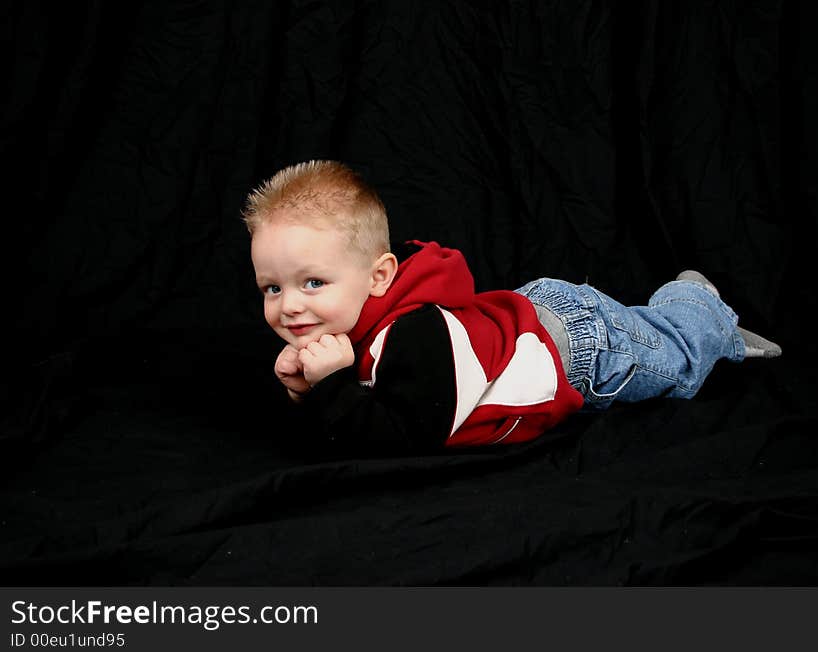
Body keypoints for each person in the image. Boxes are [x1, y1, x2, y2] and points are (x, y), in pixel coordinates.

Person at [244, 160, 781, 452]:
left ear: (380, 275)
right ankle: (684, 312)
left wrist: (332, 384)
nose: (289, 306)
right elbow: (360, 413)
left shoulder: (416, 337)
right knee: (649, 332)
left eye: (312, 282)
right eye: (273, 288)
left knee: (682, 362)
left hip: (578, 349)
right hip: (530, 319)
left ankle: (698, 303)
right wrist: (306, 391)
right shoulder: (358, 322)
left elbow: (404, 438)